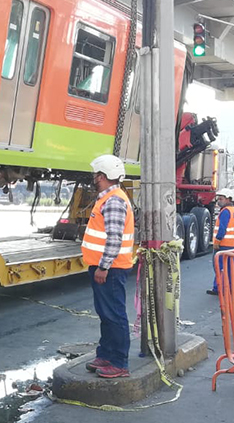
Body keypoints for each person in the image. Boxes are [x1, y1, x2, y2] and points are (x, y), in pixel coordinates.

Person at [81, 154, 135, 379]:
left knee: (114, 314)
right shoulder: (109, 198)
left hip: (110, 269)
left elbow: (114, 238)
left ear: (102, 176)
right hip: (106, 267)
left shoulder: (113, 200)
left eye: (96, 174)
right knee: (106, 314)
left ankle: (119, 362)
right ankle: (105, 354)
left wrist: (103, 267)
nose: (93, 177)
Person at [207, 188, 234, 296]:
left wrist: (217, 241)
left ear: (228, 199)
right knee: (229, 268)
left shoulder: (225, 212)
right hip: (232, 245)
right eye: (218, 198)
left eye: (221, 199)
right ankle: (229, 288)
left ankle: (219, 289)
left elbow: (222, 229)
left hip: (223, 245)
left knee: (219, 268)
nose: (219, 201)